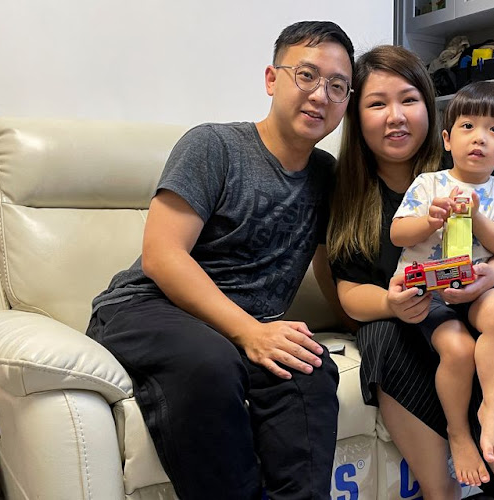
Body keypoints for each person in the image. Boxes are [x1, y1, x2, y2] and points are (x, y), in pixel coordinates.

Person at [86, 21, 354, 500]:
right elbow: (162, 256)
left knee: (311, 369)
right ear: (272, 79)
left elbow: (326, 263)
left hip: (238, 325)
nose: (320, 95)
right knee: (210, 364)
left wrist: (360, 317)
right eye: (307, 75)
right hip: (146, 307)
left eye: (338, 86)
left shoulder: (325, 174)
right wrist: (248, 331)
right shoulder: (214, 145)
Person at [328, 45, 494, 500]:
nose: (395, 116)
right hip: (415, 312)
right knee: (385, 339)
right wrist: (390, 302)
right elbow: (347, 290)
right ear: (355, 113)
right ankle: (439, 489)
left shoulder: (473, 158)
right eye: (376, 103)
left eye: (408, 100)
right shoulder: (348, 192)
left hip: (493, 297)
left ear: (430, 110)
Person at [388, 82, 494, 486]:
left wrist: (478, 217)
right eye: (467, 126)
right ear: (447, 139)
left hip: (476, 289)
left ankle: (492, 413)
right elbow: (398, 233)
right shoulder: (428, 184)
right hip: (427, 291)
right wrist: (431, 220)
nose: (479, 138)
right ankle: (458, 431)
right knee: (459, 349)